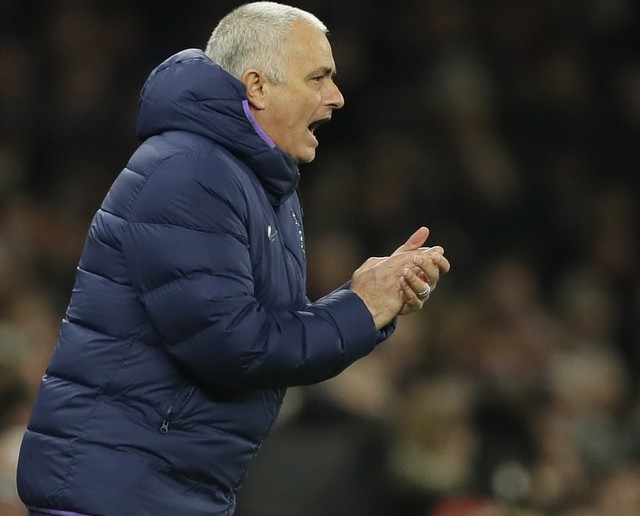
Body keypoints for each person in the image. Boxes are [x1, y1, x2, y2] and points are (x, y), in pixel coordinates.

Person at [15, 3, 450, 515]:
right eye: (318, 78)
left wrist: (372, 295)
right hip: (115, 488)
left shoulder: (260, 180)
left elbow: (265, 330)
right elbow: (233, 348)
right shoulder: (189, 172)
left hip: (167, 487)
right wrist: (360, 307)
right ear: (258, 86)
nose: (336, 97)